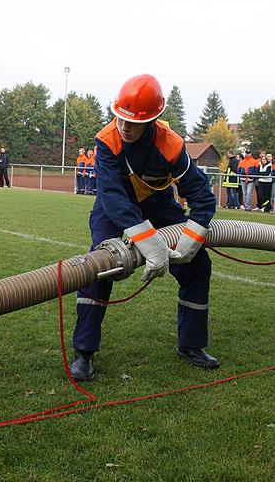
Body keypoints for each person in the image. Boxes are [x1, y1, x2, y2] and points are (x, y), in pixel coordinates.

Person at [70, 74, 219, 381]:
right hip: (113, 207)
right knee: (100, 265)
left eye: (133, 122)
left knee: (198, 265)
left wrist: (190, 242)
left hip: (159, 204)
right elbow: (112, 197)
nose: (124, 127)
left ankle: (191, 345)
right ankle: (84, 351)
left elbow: (202, 196)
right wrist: (150, 244)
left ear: (151, 120)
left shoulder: (171, 145)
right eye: (120, 118)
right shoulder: (106, 140)